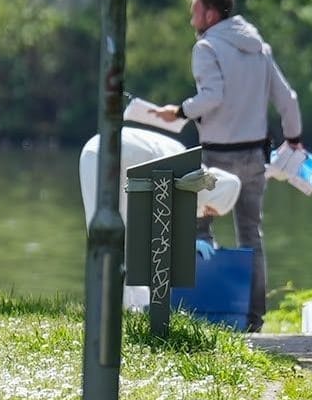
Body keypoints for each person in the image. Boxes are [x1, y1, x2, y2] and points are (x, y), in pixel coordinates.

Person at [154, 0, 303, 332]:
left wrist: (178, 111)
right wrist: (294, 138)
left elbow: (212, 96)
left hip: (217, 157)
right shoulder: (260, 49)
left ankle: (204, 311)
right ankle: (253, 318)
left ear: (211, 14)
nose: (192, 18)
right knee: (252, 235)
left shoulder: (206, 47)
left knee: (199, 228)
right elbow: (288, 99)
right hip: (255, 156)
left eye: (195, 12)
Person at [78, 126, 242, 310]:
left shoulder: (186, 166)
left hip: (96, 150)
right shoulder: (184, 168)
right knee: (107, 236)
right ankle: (116, 308)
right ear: (215, 194)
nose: (205, 214)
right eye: (211, 210)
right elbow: (161, 232)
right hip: (107, 155)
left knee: (112, 235)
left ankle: (127, 306)